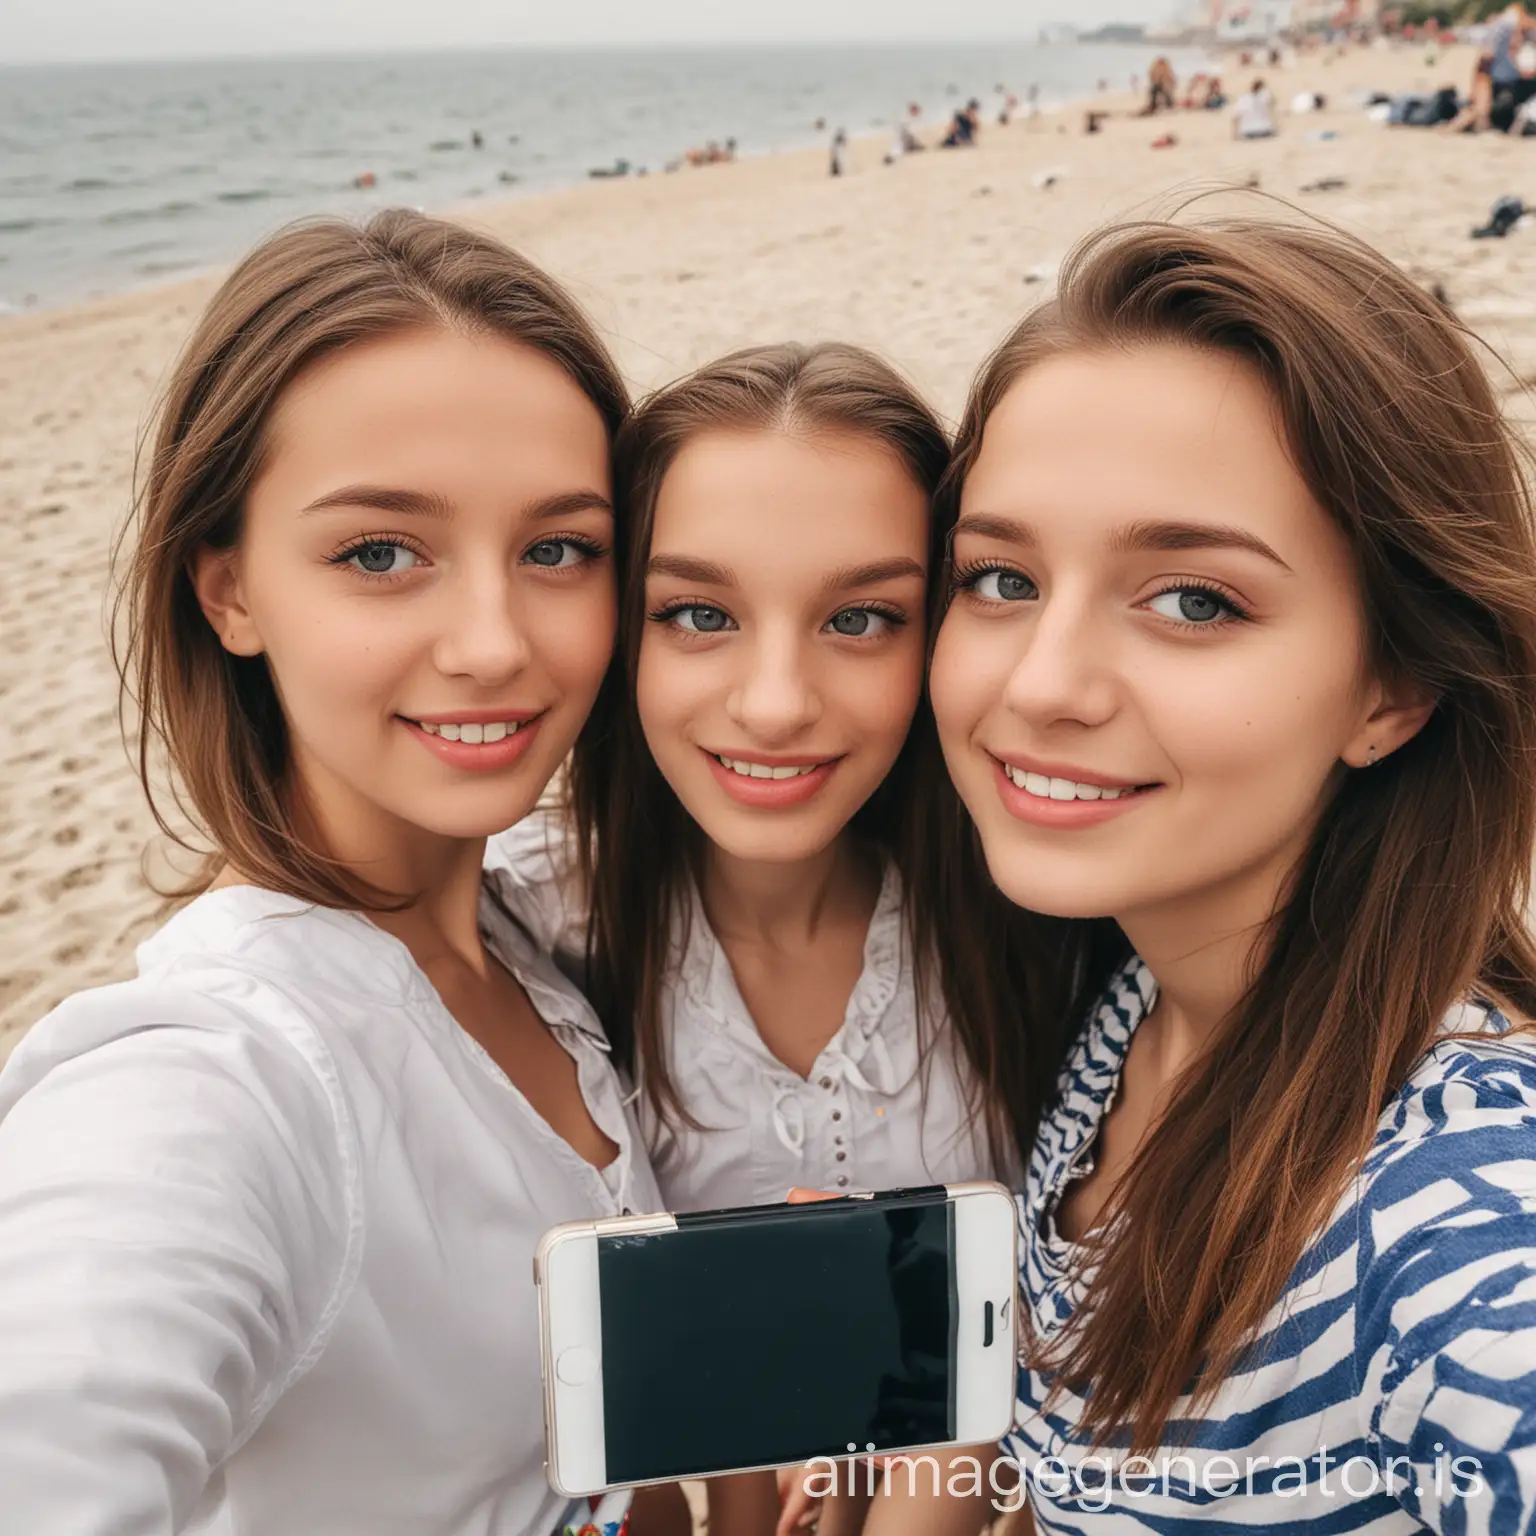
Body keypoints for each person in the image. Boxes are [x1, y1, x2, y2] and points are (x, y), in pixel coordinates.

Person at [0, 210, 659, 1536]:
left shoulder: (524, 919)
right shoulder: (218, 1070)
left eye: (559, 549)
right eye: (379, 553)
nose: (492, 643)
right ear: (228, 592)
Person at [918, 215, 1536, 1528]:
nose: (1041, 685)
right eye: (1000, 578)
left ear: (1398, 685)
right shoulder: (1136, 1005)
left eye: (1195, 600)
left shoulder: (1459, 1223)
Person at [489, 343, 1041, 1536]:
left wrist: (959, 1475)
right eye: (699, 614)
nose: (778, 701)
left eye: (860, 618)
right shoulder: (514, 928)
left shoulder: (1045, 917)